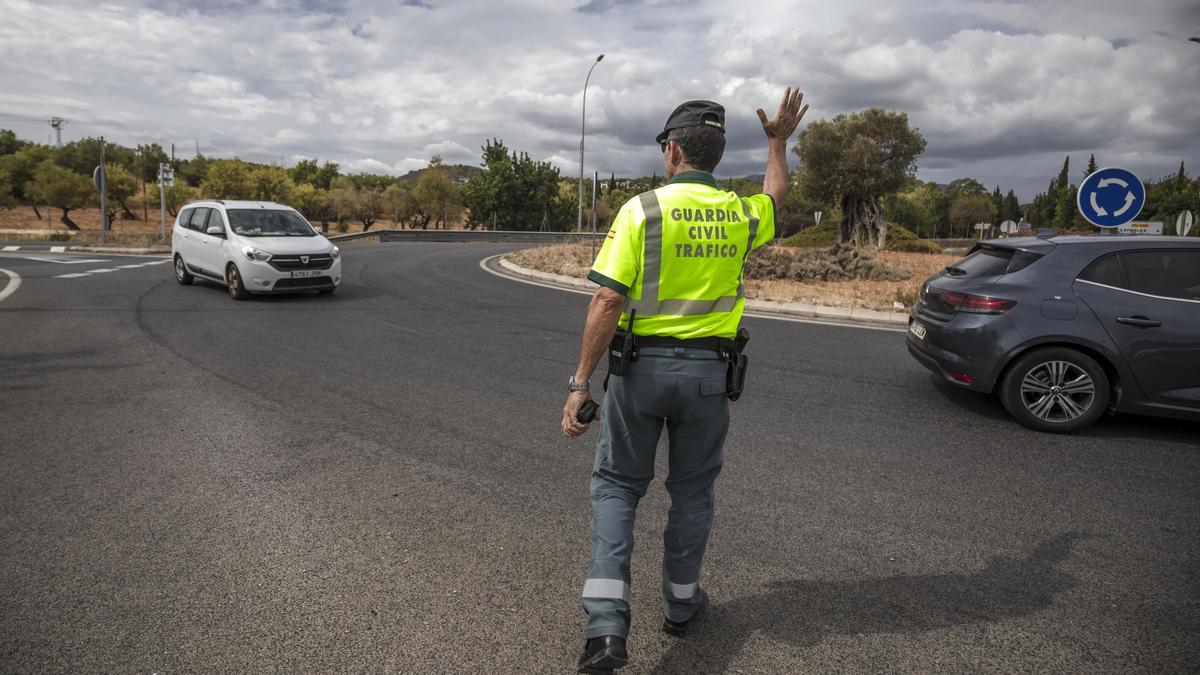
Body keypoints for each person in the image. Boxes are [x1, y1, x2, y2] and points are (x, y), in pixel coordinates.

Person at [561, 88, 809, 673]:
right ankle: (679, 604)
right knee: (692, 492)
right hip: (708, 380)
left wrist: (579, 383)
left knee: (618, 488)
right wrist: (778, 143)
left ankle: (605, 630)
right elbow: (776, 194)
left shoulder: (642, 210)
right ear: (715, 156)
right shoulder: (742, 213)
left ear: (672, 150)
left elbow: (606, 299)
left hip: (640, 373)